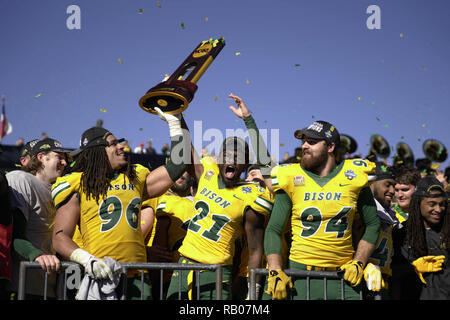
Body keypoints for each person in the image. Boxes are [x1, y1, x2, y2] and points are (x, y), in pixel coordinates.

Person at [51, 108, 189, 300]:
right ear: (98, 152)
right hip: (101, 274)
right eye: (113, 144)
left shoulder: (135, 178)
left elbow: (179, 163)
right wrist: (87, 260)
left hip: (138, 277)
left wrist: (175, 122)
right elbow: (59, 237)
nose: (121, 146)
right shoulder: (78, 184)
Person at [166, 95, 273, 300]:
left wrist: (253, 291)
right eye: (226, 155)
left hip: (216, 272)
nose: (231, 159)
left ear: (245, 164)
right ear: (218, 159)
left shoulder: (251, 195)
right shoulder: (207, 173)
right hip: (183, 266)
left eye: (237, 157)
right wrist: (177, 113)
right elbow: (187, 146)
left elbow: (255, 250)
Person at [264, 120, 381, 300]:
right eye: (303, 141)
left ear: (330, 146)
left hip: (343, 277)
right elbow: (273, 229)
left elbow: (373, 224)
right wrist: (274, 269)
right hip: (300, 275)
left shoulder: (355, 175)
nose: (304, 146)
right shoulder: (291, 176)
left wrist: (359, 262)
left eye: (311, 142)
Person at [6, 138, 71, 299]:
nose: (64, 163)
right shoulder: (20, 179)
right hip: (20, 285)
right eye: (59, 157)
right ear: (42, 157)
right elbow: (14, 234)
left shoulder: (61, 189)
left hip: (49, 287)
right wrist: (38, 255)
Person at [400, 176, 449, 299]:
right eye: (431, 204)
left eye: (441, 204)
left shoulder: (447, 231)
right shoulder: (401, 233)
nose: (438, 209)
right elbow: (391, 272)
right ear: (418, 203)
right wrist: (412, 268)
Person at [359, 162, 399, 298]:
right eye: (387, 184)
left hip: (382, 285)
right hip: (361, 284)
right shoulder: (360, 212)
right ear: (371, 183)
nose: (393, 191)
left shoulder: (390, 214)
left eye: (394, 185)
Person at [389, 166, 422, 300]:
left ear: (417, 189)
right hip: (396, 282)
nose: (399, 195)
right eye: (396, 190)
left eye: (405, 190)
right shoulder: (388, 215)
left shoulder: (428, 214)